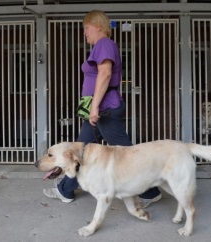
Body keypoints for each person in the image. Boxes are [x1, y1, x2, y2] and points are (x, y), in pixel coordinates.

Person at [43, 10, 161, 209]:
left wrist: (95, 106)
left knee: (127, 155)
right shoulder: (100, 46)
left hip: (104, 110)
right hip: (97, 110)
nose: (84, 33)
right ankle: (65, 190)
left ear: (97, 26)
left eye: (86, 28)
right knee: (79, 151)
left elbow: (105, 74)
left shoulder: (104, 44)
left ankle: (150, 191)